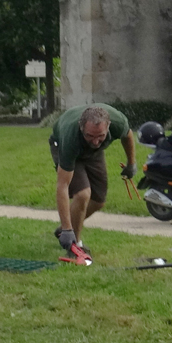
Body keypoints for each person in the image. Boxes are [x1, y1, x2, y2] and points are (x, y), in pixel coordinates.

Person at [49, 104, 136, 256]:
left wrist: (131, 164)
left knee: (98, 200)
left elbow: (127, 136)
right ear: (81, 128)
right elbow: (62, 185)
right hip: (64, 145)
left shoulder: (118, 122)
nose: (95, 141)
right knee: (83, 194)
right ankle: (75, 245)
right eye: (90, 135)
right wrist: (68, 229)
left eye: (100, 136)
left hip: (94, 154)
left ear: (108, 127)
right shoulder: (70, 137)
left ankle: (64, 228)